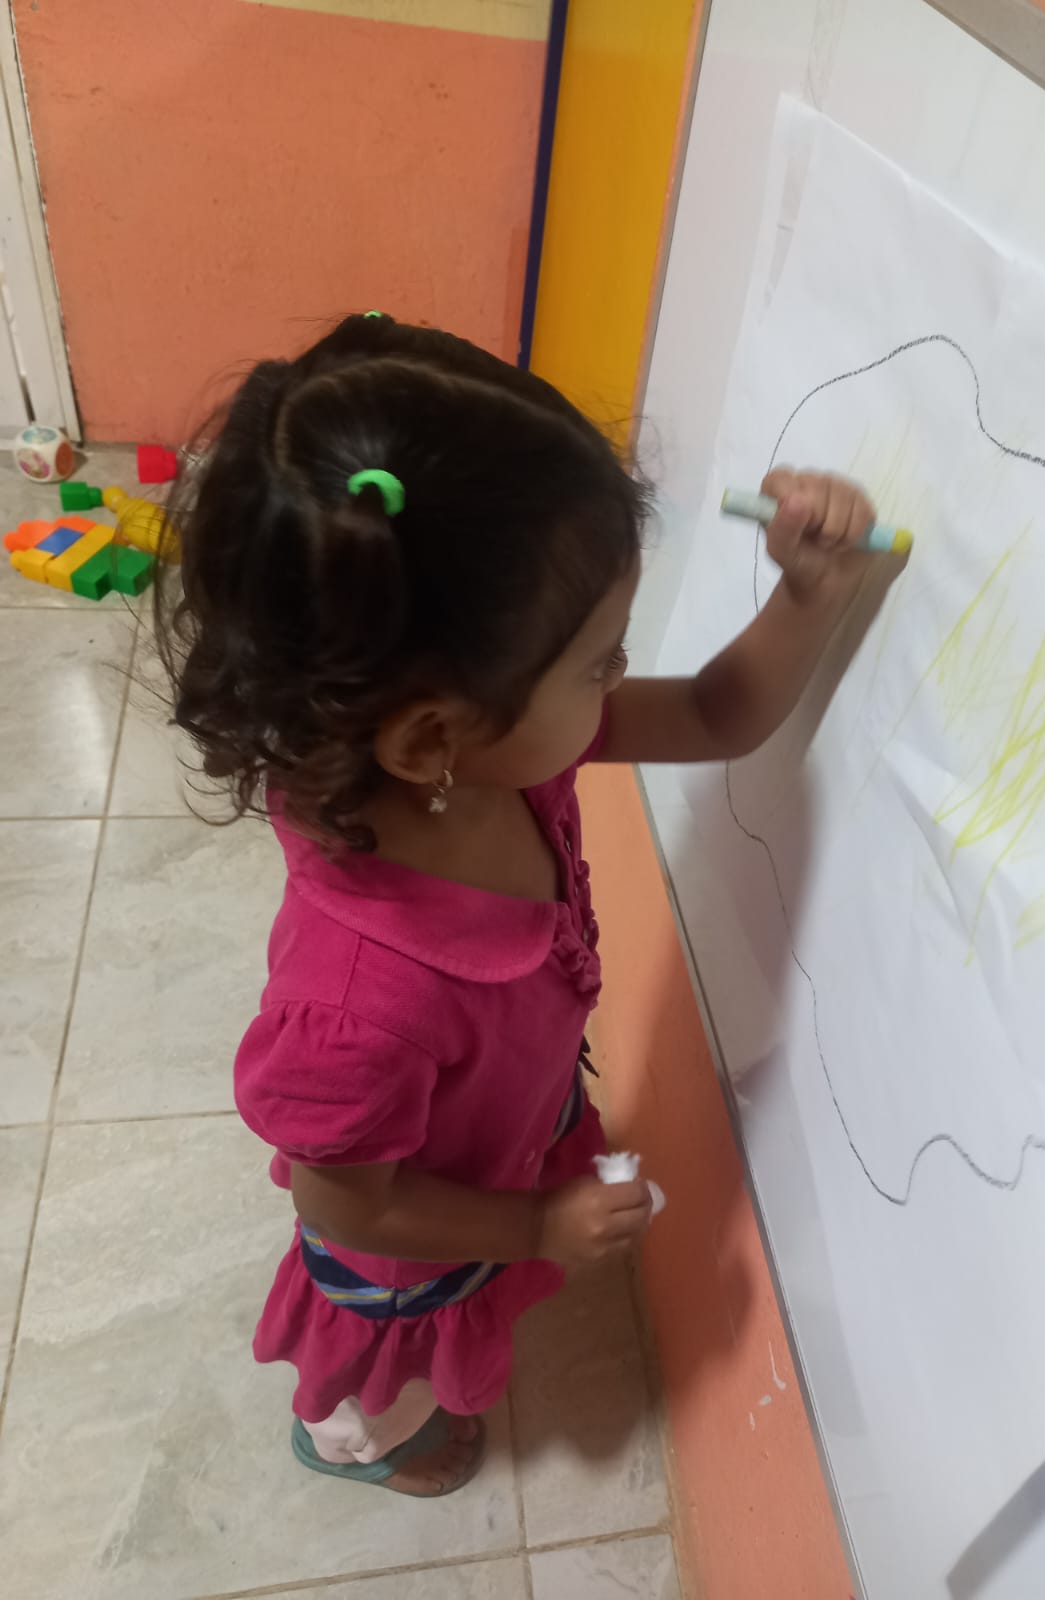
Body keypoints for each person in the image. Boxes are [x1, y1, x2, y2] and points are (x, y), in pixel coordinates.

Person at [154, 313, 881, 1498]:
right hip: (405, 1248)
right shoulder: (359, 1009)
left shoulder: (493, 750)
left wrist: (811, 594)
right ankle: (351, 1441)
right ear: (431, 735)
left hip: (498, 1150)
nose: (615, 683)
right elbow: (352, 1200)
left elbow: (714, 712)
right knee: (389, 1378)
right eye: (598, 663)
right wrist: (534, 1229)